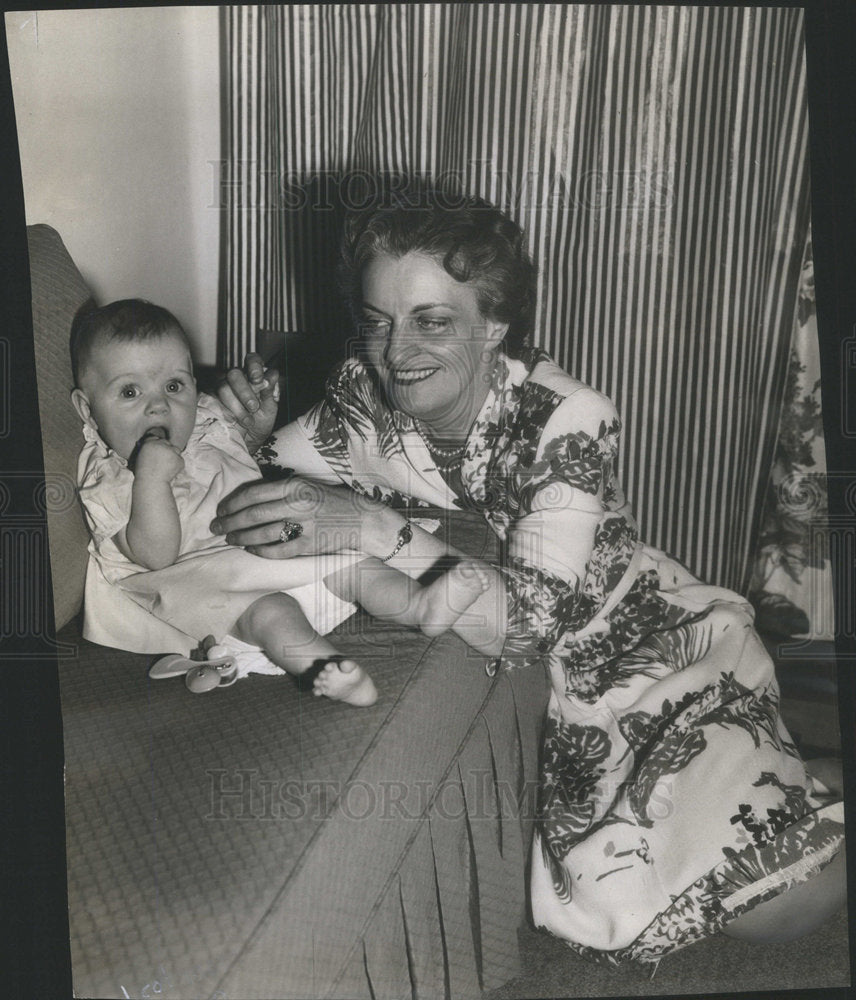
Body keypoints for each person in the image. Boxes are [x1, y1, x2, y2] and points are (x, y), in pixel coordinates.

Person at [212, 188, 845, 964]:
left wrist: (370, 525)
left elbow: (526, 627)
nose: (396, 350)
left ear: (495, 328)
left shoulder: (566, 417)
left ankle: (810, 771)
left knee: (789, 901)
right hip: (563, 684)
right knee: (667, 886)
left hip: (635, 642)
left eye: (432, 321)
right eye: (377, 320)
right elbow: (283, 465)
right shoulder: (360, 393)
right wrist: (243, 437)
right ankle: (801, 772)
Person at [70, 299, 490, 706]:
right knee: (273, 611)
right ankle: (323, 666)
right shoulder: (109, 475)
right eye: (129, 391)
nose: (159, 404)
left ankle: (419, 606)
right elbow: (155, 555)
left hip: (258, 542)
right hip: (203, 580)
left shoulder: (206, 421)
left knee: (352, 561)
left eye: (174, 385)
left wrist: (255, 418)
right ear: (87, 411)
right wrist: (152, 479)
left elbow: (241, 454)